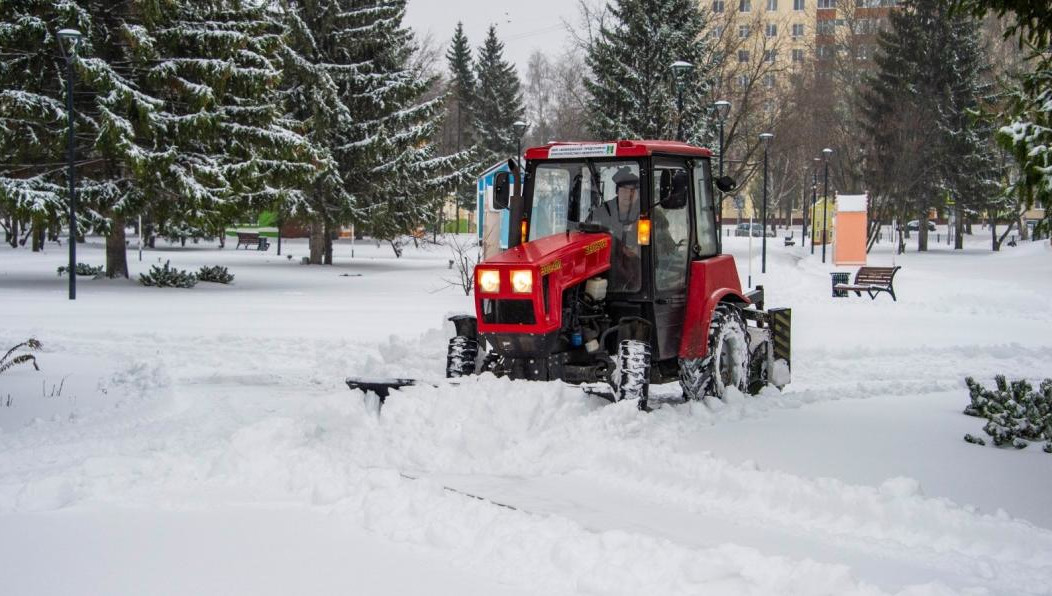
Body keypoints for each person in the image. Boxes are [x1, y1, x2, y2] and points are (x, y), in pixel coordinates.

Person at [591, 166, 643, 292]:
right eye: (624, 190)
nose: (628, 195)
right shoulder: (602, 213)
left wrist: (640, 251)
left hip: (640, 279)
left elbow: (663, 246)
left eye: (633, 191)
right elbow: (586, 238)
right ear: (617, 191)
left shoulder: (648, 214)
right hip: (605, 277)